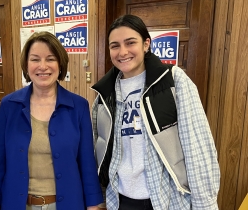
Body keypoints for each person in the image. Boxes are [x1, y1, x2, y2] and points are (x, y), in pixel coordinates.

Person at [91, 14, 220, 210]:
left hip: (167, 200)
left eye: (130, 42)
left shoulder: (173, 81)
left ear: (146, 44)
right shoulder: (103, 95)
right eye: (115, 45)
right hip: (119, 200)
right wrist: (99, 197)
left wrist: (206, 205)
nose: (122, 52)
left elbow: (197, 149)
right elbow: (99, 152)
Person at [0, 31, 103, 210]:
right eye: (35, 59)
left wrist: (93, 205)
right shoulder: (9, 105)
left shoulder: (78, 106)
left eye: (50, 59)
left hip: (67, 204)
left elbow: (87, 162)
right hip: (17, 204)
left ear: (60, 64)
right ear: (26, 64)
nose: (43, 66)